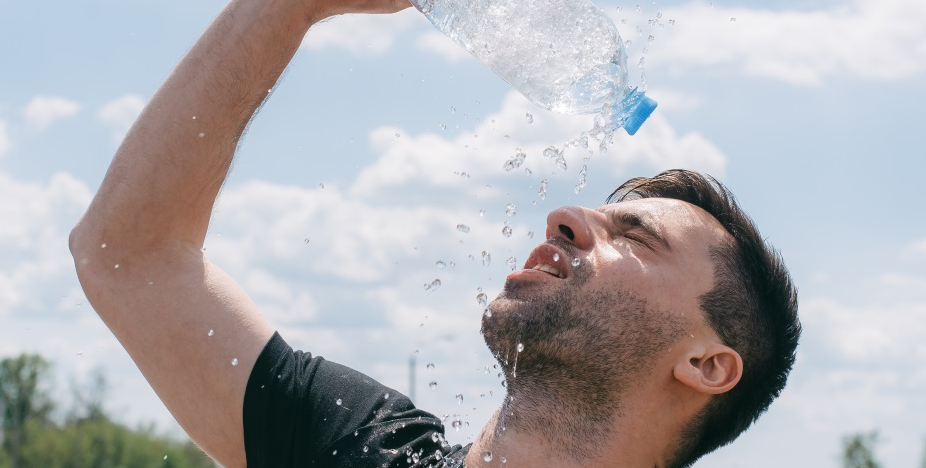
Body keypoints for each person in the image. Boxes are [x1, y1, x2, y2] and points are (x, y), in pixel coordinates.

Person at [68, 0, 801, 467]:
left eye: (636, 238)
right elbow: (128, 253)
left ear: (709, 363)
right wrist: (283, 10)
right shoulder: (361, 448)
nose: (566, 219)